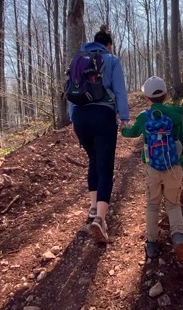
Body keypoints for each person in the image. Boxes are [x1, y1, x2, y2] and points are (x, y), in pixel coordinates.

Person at [69, 25, 130, 244]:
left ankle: (93, 207)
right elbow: (120, 90)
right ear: (108, 45)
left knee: (93, 161)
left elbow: (71, 91)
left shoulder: (78, 58)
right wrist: (124, 117)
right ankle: (100, 221)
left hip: (80, 117)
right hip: (103, 115)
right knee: (105, 166)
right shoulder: (111, 60)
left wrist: (73, 119)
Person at [121, 76, 183, 262]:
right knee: (173, 204)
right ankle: (177, 237)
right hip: (173, 167)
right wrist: (181, 165)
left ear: (147, 98)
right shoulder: (176, 115)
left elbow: (132, 133)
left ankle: (151, 243)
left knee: (153, 204)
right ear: (166, 95)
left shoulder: (145, 117)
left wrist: (123, 128)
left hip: (152, 167)